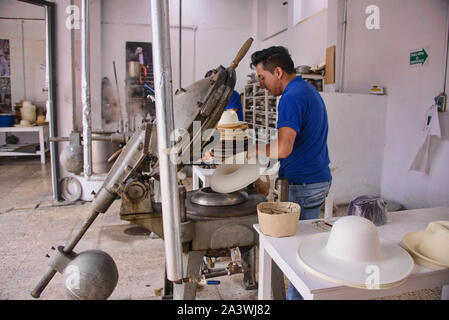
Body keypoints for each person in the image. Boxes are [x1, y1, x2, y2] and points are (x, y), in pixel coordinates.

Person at [246, 46, 332, 300]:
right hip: (317, 179)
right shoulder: (307, 90)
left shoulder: (291, 97)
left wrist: (251, 151)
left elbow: (283, 147)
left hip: (303, 186)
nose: (261, 85)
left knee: (298, 259)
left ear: (279, 72)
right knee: (304, 250)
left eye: (262, 77)